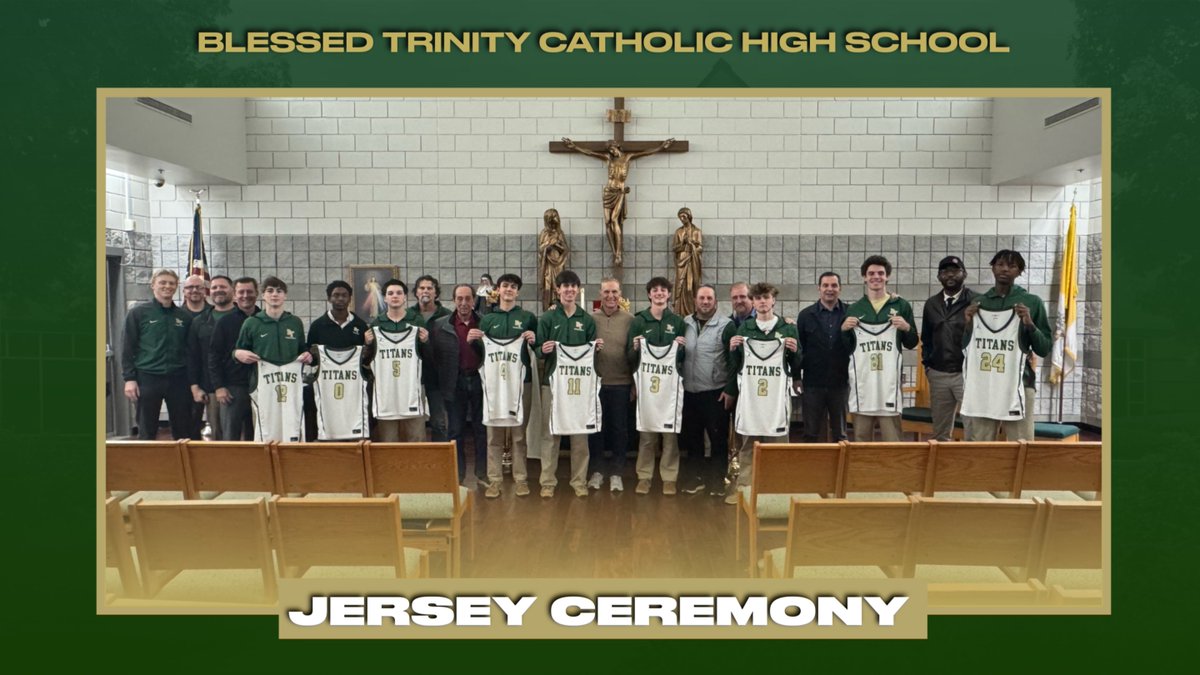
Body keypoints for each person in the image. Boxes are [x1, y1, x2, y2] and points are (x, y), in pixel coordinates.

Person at [961, 250, 1052, 442]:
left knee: (1021, 445)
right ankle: (985, 474)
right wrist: (968, 323)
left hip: (1019, 385)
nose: (1005, 269)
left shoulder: (1031, 302)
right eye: (1000, 264)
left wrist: (1030, 324)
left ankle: (1023, 474)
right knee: (981, 444)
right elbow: (966, 348)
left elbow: (1044, 348)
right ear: (992, 268)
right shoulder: (979, 303)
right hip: (984, 385)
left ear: (1019, 272)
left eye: (1012, 266)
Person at [724, 282, 801, 504]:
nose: (762, 302)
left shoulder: (788, 328)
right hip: (751, 401)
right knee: (748, 446)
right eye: (758, 298)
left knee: (777, 449)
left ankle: (776, 493)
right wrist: (732, 348)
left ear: (773, 300)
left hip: (777, 401)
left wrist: (795, 353)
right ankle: (744, 491)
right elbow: (736, 365)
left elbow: (796, 364)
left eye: (766, 297)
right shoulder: (744, 329)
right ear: (753, 302)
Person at [560, 136, 674, 266]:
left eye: (612, 148)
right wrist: (575, 147)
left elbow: (646, 153)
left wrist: (661, 147)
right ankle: (614, 252)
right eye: (609, 150)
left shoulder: (628, 157)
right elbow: (591, 153)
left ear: (617, 147)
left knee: (614, 220)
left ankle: (618, 253)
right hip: (608, 192)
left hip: (620, 192)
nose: (611, 152)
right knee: (607, 222)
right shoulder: (609, 159)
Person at [472, 273, 538, 498]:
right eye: (505, 286)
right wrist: (474, 341)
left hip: (521, 382)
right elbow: (481, 354)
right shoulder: (488, 319)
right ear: (497, 290)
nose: (508, 290)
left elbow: (537, 349)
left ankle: (521, 478)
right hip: (494, 382)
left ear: (517, 292)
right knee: (494, 434)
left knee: (519, 433)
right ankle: (495, 479)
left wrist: (534, 339)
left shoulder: (528, 318)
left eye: (513, 287)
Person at [536, 270, 600, 498]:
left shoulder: (587, 320)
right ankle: (547, 482)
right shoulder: (547, 318)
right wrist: (541, 349)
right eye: (565, 286)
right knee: (550, 434)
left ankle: (579, 480)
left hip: (579, 388)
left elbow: (593, 355)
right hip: (552, 386)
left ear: (578, 290)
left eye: (573, 287)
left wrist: (596, 348)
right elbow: (537, 350)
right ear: (558, 290)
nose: (570, 290)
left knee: (580, 434)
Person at [841, 256, 918, 442]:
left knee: (894, 441)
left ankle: (894, 472)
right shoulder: (854, 309)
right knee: (861, 440)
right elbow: (846, 349)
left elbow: (912, 342)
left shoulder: (901, 305)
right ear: (864, 278)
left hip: (889, 385)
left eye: (881, 273)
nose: (876, 277)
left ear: (888, 277)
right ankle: (863, 472)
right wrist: (843, 331)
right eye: (871, 273)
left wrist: (907, 328)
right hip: (863, 385)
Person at [233, 276, 312, 442]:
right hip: (262, 383)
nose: (274, 294)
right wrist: (237, 354)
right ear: (263, 295)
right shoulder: (252, 323)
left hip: (291, 383)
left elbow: (302, 349)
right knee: (265, 425)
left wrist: (308, 355)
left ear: (285, 296)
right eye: (270, 291)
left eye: (279, 291)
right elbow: (237, 351)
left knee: (292, 421)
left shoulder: (294, 322)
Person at [628, 276, 687, 495]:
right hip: (646, 388)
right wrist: (634, 348)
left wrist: (681, 348)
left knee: (670, 435)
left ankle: (669, 477)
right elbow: (629, 356)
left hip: (670, 389)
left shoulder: (677, 321)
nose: (660, 293)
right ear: (649, 294)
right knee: (647, 434)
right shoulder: (639, 321)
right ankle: (644, 476)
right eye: (655, 290)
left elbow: (683, 358)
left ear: (669, 294)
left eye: (663, 290)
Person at [121, 269, 193, 440]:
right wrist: (129, 379)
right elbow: (127, 347)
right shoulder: (138, 313)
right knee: (147, 429)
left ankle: (180, 466)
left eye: (171, 283)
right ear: (153, 285)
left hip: (179, 378)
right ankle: (145, 466)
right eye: (162, 282)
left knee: (182, 429)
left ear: (176, 287)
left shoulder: (184, 316)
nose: (167, 286)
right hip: (147, 377)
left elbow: (190, 350)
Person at [430, 284, 489, 486]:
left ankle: (482, 473)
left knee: (482, 429)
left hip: (480, 381)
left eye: (467, 299)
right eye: (459, 299)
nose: (463, 303)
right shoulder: (440, 325)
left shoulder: (485, 323)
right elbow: (434, 356)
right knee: (455, 430)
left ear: (474, 300)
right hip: (454, 382)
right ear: (453, 300)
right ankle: (458, 475)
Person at [679, 284, 734, 497]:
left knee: (718, 439)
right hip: (690, 391)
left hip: (715, 392)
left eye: (709, 298)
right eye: (701, 298)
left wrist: (730, 390)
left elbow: (733, 361)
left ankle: (718, 482)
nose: (705, 302)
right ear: (695, 300)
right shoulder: (685, 323)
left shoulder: (726, 326)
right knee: (693, 440)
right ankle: (696, 479)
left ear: (715, 302)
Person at [304, 280, 372, 441]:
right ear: (329, 299)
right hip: (327, 385)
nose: (340, 299)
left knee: (352, 421)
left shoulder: (360, 326)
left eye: (344, 295)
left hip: (353, 387)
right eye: (336, 295)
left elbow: (366, 358)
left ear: (350, 298)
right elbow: (312, 359)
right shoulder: (317, 326)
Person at [920, 256, 976, 441]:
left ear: (964, 274)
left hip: (967, 374)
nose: (950, 275)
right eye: (945, 271)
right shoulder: (931, 304)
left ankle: (971, 468)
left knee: (973, 428)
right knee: (940, 432)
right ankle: (943, 468)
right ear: (939, 276)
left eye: (955, 270)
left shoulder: (976, 301)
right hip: (938, 374)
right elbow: (926, 338)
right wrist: (928, 365)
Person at [368, 279, 430, 442]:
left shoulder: (416, 321)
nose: (395, 296)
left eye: (399, 293)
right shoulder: (376, 324)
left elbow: (427, 356)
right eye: (390, 293)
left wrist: (426, 342)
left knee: (416, 438)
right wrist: (367, 344)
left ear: (405, 298)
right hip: (386, 392)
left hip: (412, 390)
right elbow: (369, 359)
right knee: (388, 441)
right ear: (385, 299)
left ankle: (417, 468)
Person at [587, 278, 634, 493]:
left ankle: (616, 472)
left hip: (621, 383)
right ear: (600, 293)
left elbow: (635, 355)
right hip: (596, 383)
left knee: (619, 429)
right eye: (606, 292)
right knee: (596, 429)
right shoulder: (590, 320)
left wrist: (634, 383)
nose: (610, 296)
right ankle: (597, 471)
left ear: (620, 294)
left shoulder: (630, 320)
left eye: (614, 292)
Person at [795, 272, 851, 443]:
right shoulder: (805, 315)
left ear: (840, 289)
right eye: (825, 285)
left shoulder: (851, 313)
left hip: (840, 383)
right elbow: (799, 350)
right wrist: (796, 377)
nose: (829, 289)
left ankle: (840, 469)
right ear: (818, 288)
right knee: (810, 432)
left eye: (834, 285)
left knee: (840, 434)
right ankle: (811, 469)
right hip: (813, 384)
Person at [208, 277, 260, 440]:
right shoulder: (225, 322)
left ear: (257, 294)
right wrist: (219, 387)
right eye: (241, 292)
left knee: (258, 434)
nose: (245, 295)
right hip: (232, 388)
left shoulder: (265, 320)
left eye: (249, 291)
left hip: (261, 387)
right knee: (230, 436)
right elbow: (214, 356)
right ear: (235, 295)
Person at [187, 274, 235, 439]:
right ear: (209, 292)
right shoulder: (200, 321)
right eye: (214, 287)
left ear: (232, 291)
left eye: (223, 287)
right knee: (217, 434)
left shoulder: (245, 319)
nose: (218, 290)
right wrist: (195, 386)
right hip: (212, 387)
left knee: (247, 432)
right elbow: (193, 356)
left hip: (242, 385)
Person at [413, 275, 451, 441]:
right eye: (422, 288)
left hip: (438, 377)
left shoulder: (448, 316)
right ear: (416, 293)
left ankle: (440, 461)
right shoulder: (408, 315)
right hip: (413, 378)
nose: (425, 291)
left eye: (430, 288)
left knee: (439, 422)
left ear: (436, 293)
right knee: (414, 423)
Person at [672, 207, 703, 317]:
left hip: (692, 260)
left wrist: (692, 245)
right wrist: (683, 244)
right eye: (680, 217)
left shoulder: (697, 231)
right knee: (681, 286)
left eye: (684, 216)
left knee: (690, 287)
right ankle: (680, 311)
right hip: (682, 261)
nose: (682, 219)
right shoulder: (678, 232)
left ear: (689, 217)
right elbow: (675, 248)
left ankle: (692, 311)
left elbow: (700, 248)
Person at [538, 208, 568, 309]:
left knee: (558, 283)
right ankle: (548, 306)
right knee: (548, 284)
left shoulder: (559, 233)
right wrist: (548, 245)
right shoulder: (544, 233)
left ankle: (559, 304)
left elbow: (565, 249)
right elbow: (541, 249)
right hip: (548, 265)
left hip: (558, 263)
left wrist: (556, 245)